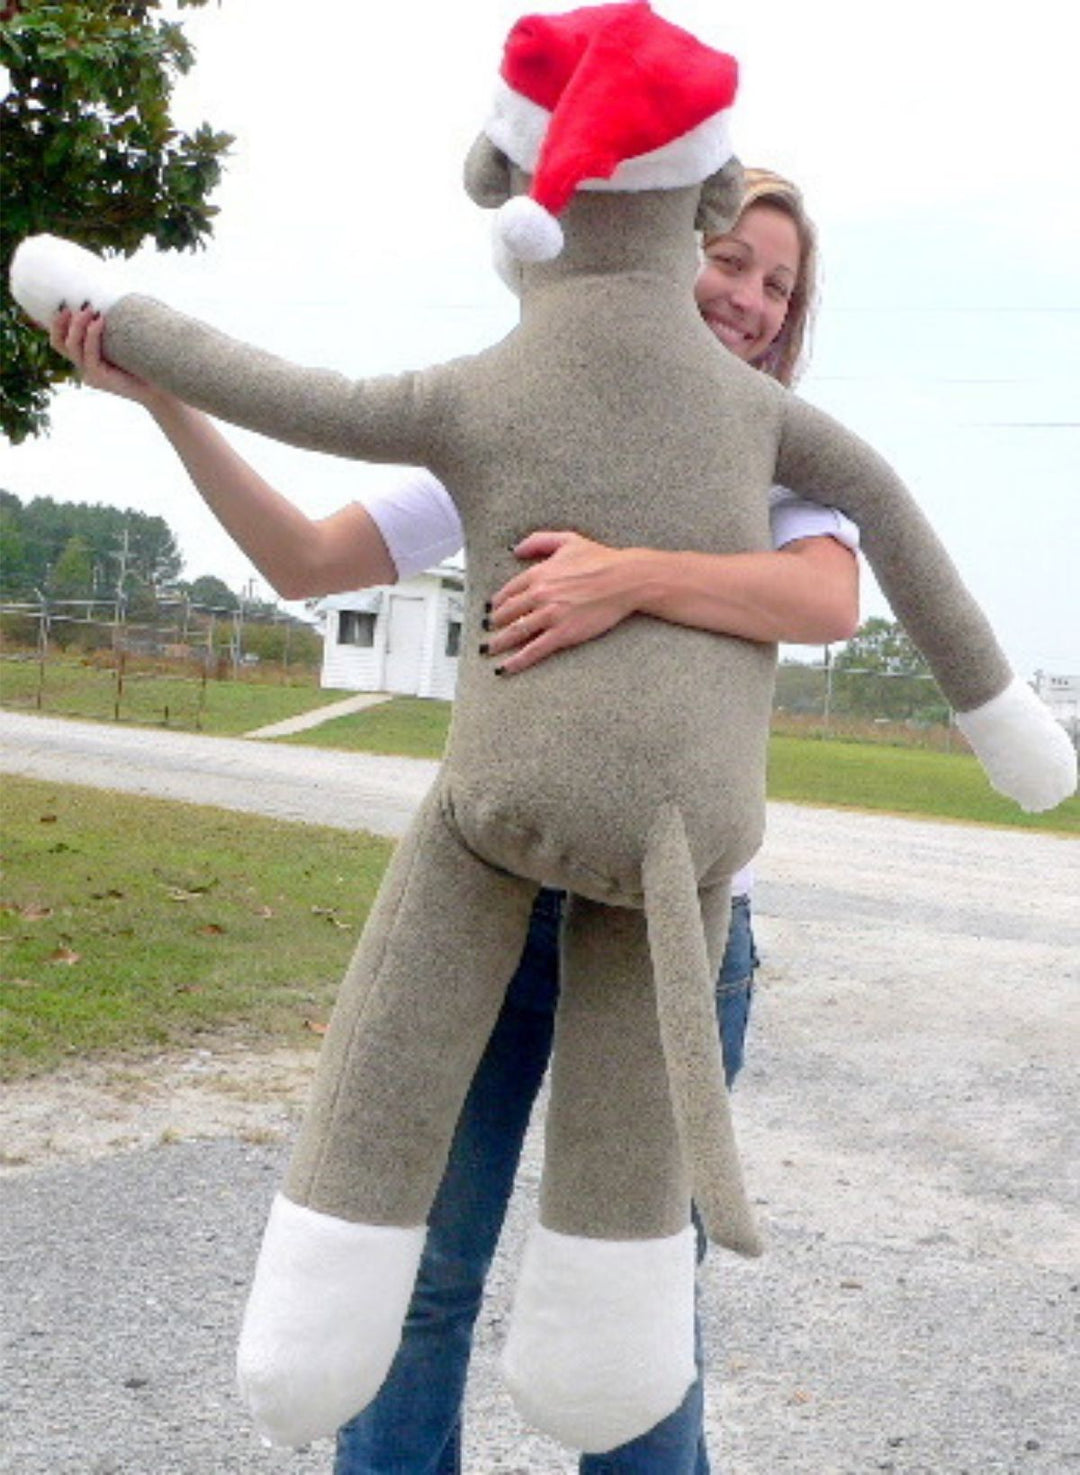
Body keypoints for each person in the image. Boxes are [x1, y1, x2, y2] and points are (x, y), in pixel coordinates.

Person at [51, 168, 859, 1473]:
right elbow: (309, 561)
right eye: (735, 261)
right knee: (420, 1273)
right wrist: (170, 407)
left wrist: (622, 576)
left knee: (637, 1310)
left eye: (783, 285)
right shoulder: (528, 416)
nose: (755, 301)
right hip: (491, 904)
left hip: (673, 930)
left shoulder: (766, 443)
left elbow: (824, 598)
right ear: (659, 247)